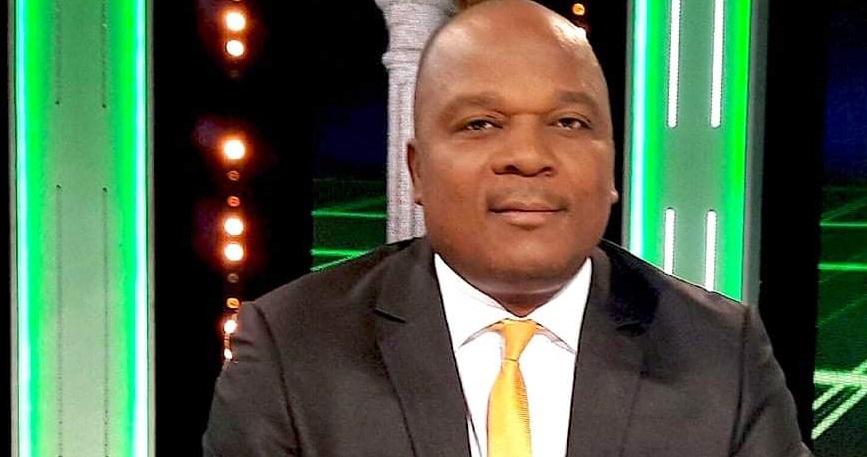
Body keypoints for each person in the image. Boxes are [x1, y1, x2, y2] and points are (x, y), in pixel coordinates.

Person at [202, 0, 814, 456]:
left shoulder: (722, 355)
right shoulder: (290, 349)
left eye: (569, 123)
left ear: (612, 167)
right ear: (416, 171)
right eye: (481, 124)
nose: (528, 155)